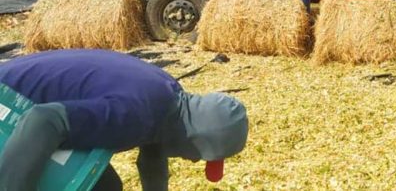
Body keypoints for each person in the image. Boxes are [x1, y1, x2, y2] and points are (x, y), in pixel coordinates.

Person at [0, 49, 248, 191]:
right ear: (194, 139)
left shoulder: (167, 98)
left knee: (104, 185)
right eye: (198, 155)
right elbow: (43, 121)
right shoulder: (134, 115)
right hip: (9, 106)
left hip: (28, 108)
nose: (193, 160)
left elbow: (154, 154)